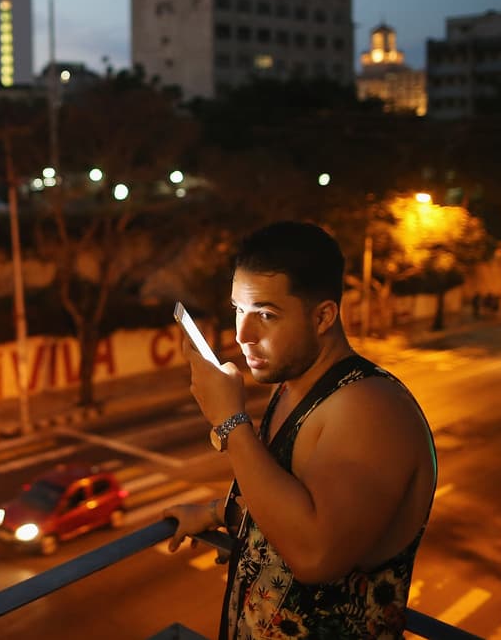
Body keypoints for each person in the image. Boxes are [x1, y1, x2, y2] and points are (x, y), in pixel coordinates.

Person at [164, 221, 437, 640]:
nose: (243, 335)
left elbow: (315, 554)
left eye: (266, 315)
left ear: (324, 316)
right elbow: (296, 498)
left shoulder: (369, 408)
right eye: (239, 309)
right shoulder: (295, 387)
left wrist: (231, 421)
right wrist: (217, 512)